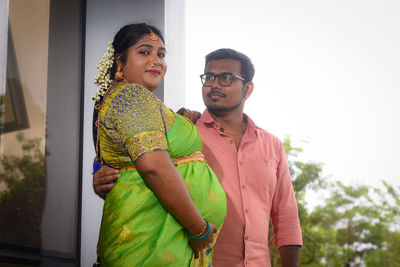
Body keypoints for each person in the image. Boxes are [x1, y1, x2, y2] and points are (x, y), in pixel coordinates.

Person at [94, 48, 302, 267]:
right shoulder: (183, 137)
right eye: (209, 77)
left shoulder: (272, 145)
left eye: (226, 78)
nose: (214, 84)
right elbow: (149, 177)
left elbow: (286, 218)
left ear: (247, 89)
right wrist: (103, 180)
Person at [91, 23, 226, 267]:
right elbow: (154, 167)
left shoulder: (133, 100)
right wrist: (200, 230)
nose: (156, 60)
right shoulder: (132, 97)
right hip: (149, 244)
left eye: (161, 54)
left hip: (158, 238)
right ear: (120, 61)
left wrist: (180, 119)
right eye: (144, 52)